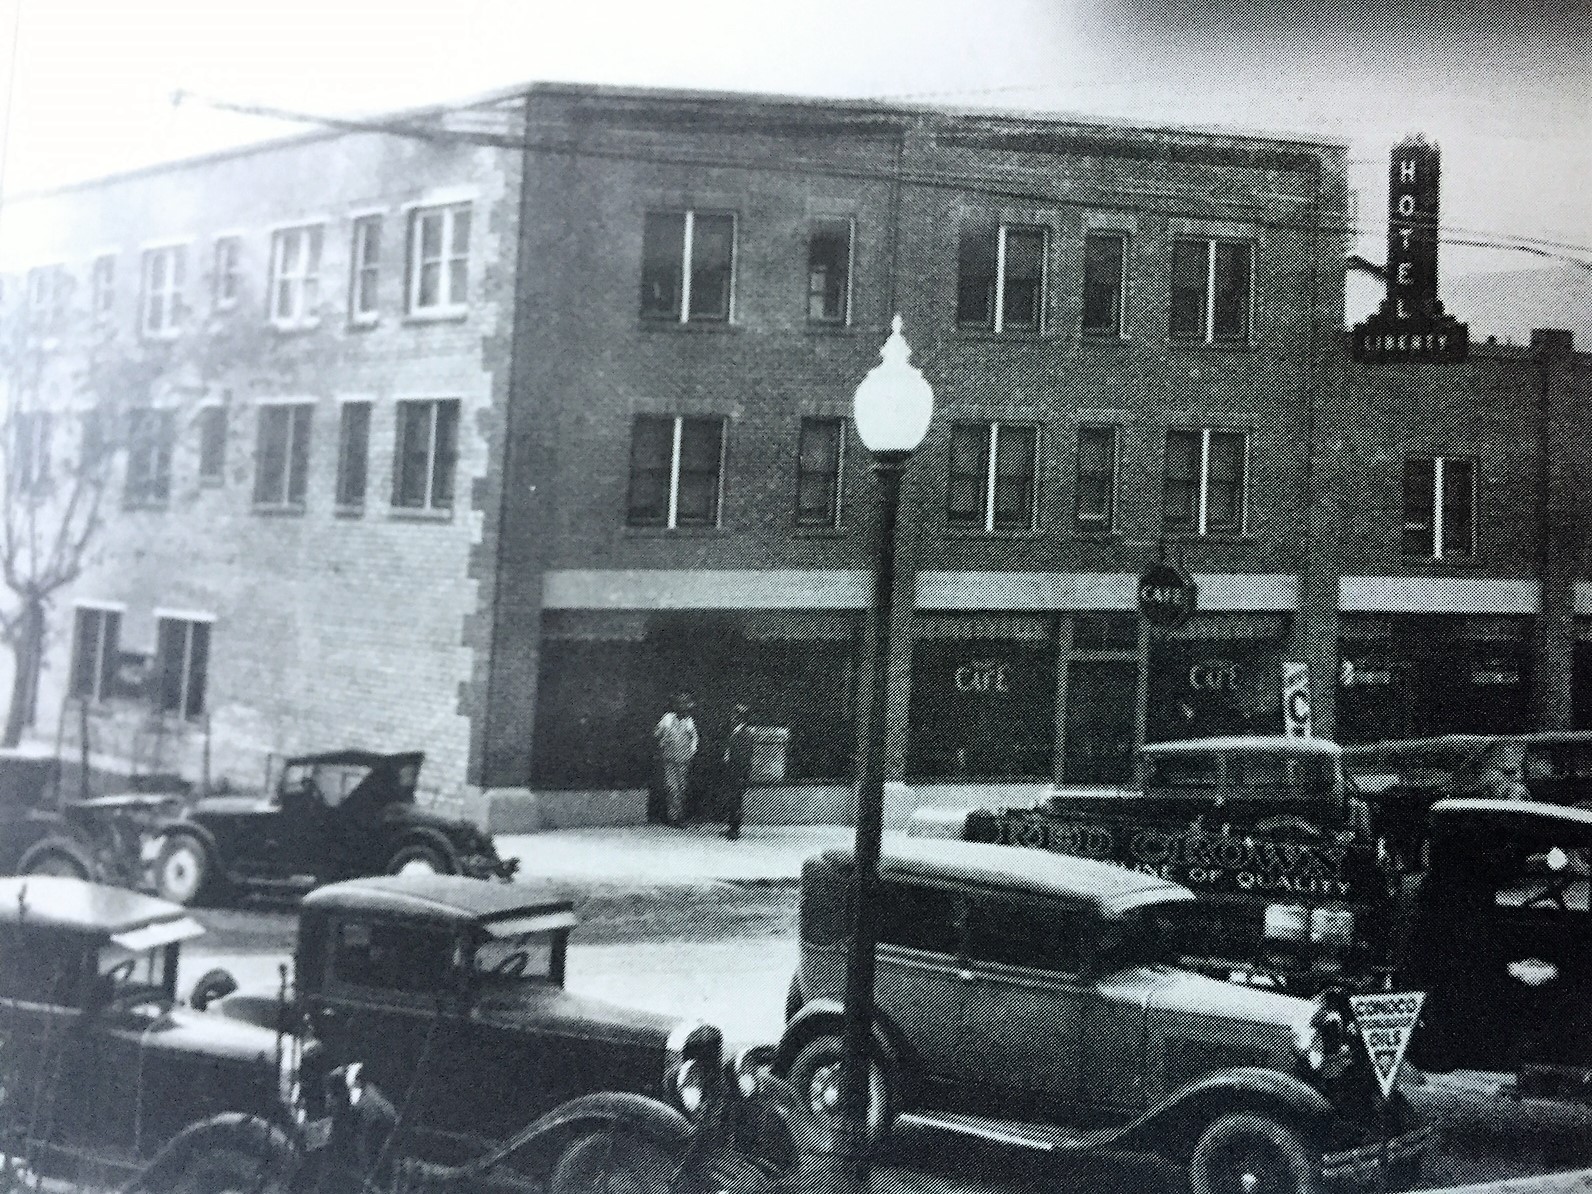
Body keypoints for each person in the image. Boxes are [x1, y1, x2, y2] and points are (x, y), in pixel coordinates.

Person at [652, 693, 699, 827]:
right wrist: (664, 738)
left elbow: (694, 739)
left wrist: (691, 752)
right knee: (672, 787)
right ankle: (673, 816)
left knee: (682, 787)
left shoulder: (689, 721)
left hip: (684, 759)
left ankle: (679, 815)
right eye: (682, 706)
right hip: (669, 758)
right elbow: (656, 733)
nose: (685, 710)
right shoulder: (667, 718)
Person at [719, 703, 754, 840]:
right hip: (733, 770)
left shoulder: (745, 734)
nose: (732, 717)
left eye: (735, 715)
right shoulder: (736, 731)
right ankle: (731, 826)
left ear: (741, 718)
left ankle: (735, 829)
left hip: (738, 772)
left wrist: (742, 774)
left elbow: (745, 757)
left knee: (736, 800)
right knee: (732, 799)